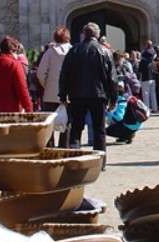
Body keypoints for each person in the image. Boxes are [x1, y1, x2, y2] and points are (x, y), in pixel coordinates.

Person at [59, 22, 115, 150]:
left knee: (76, 128)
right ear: (97, 35)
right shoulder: (105, 51)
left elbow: (64, 74)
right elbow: (112, 78)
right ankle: (99, 157)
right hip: (98, 95)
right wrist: (113, 97)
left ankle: (75, 154)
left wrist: (62, 94)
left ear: (84, 34)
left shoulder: (74, 50)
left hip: (77, 95)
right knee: (99, 129)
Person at [36, 27, 72, 146]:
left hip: (50, 95)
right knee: (67, 124)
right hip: (68, 94)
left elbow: (41, 73)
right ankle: (65, 147)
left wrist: (46, 85)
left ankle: (50, 147)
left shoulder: (50, 52)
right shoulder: (73, 51)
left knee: (49, 124)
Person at [0, 36, 33, 113]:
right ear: (13, 51)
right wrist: (29, 110)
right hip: (10, 110)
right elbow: (22, 89)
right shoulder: (14, 64)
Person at [137, 44, 158, 112]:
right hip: (153, 79)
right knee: (153, 94)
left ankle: (147, 109)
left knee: (146, 95)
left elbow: (140, 71)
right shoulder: (153, 62)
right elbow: (155, 71)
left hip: (145, 79)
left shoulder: (143, 61)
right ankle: (155, 108)